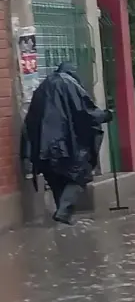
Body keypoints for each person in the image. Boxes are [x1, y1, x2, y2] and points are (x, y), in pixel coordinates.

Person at [20, 63, 114, 225]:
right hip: (63, 145)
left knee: (56, 178)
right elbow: (84, 112)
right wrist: (105, 115)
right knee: (80, 174)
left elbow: (30, 121)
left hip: (42, 147)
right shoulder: (69, 84)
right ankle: (64, 211)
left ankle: (63, 216)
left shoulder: (41, 89)